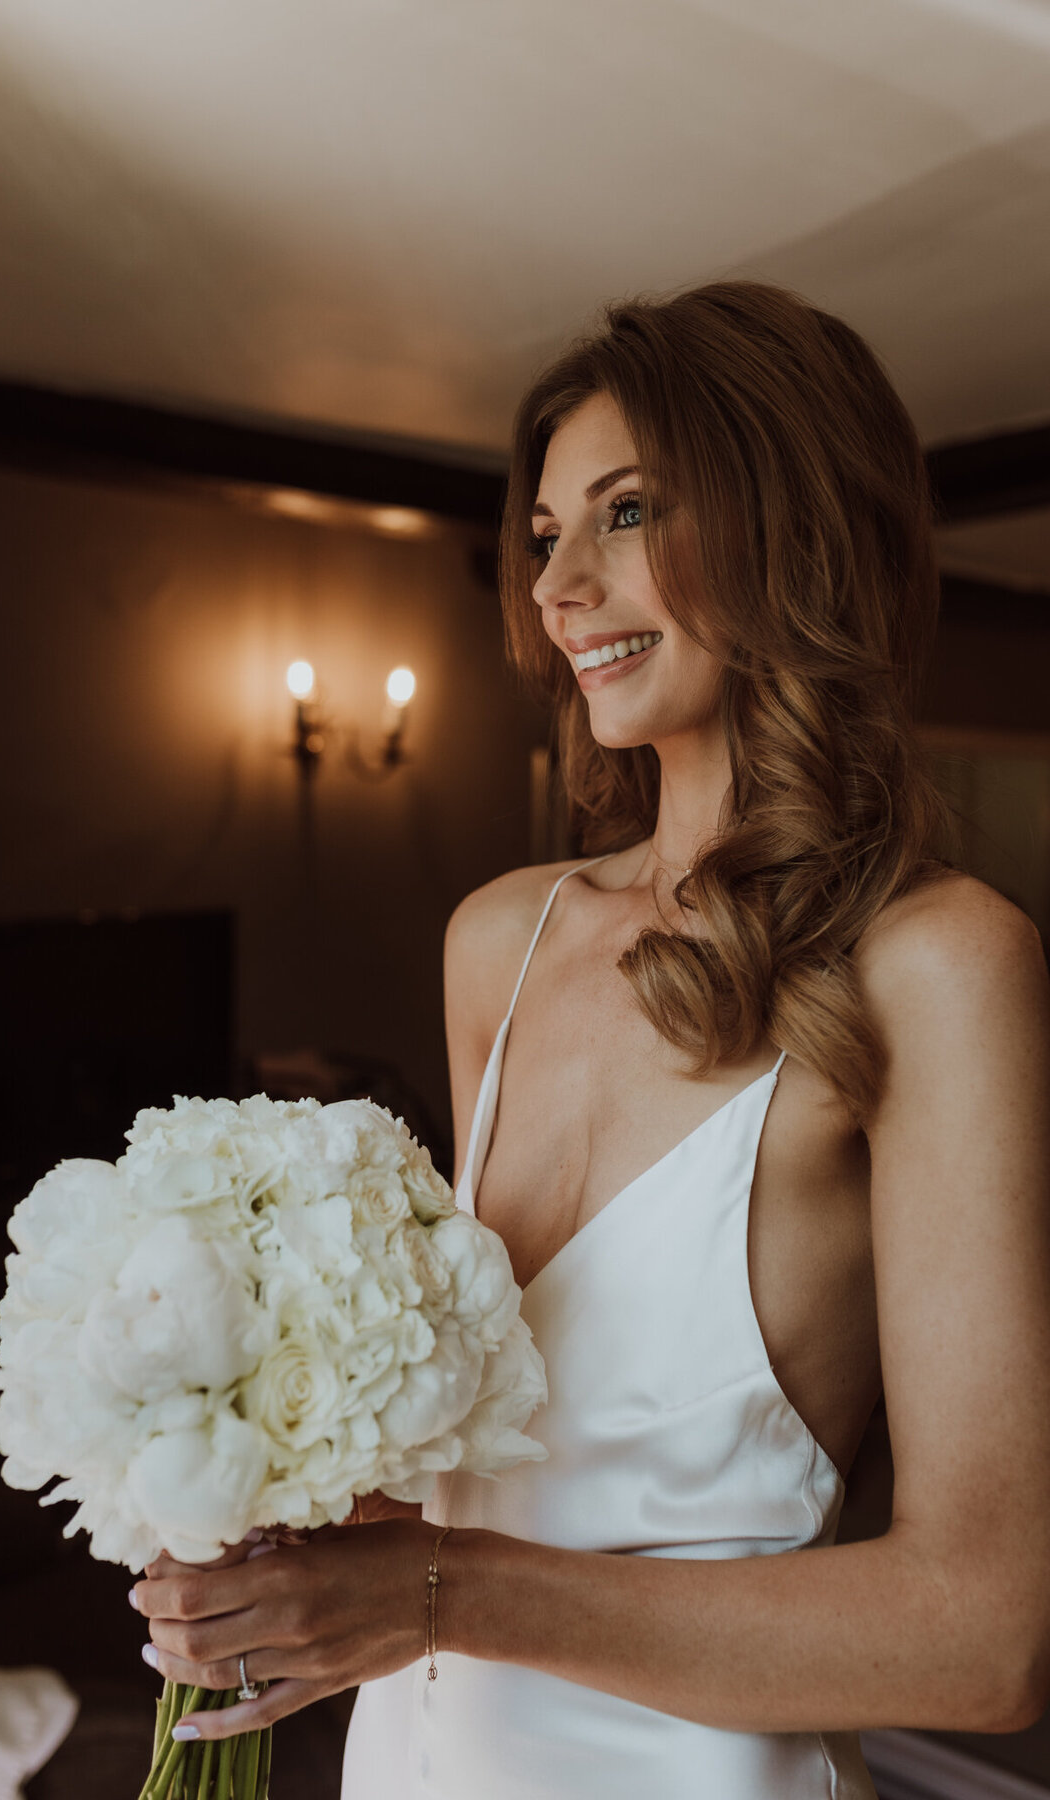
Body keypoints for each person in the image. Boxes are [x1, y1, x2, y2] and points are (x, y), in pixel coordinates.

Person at [131, 282, 1050, 1797]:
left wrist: (442, 1592)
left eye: (625, 512)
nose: (558, 587)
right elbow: (493, 1462)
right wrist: (265, 1503)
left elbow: (986, 1636)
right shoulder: (505, 939)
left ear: (791, 523)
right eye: (547, 532)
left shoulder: (937, 963)